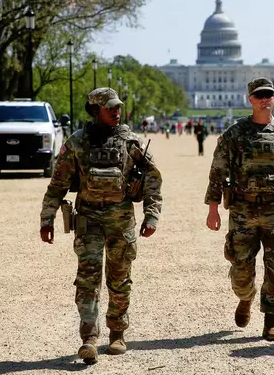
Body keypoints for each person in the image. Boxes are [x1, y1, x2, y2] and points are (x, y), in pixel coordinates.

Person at [39, 88, 163, 364]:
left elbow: (153, 179)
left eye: (118, 107)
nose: (116, 111)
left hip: (121, 221)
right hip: (89, 220)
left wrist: (152, 215)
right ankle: (89, 338)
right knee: (87, 281)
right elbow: (58, 184)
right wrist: (46, 219)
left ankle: (117, 333)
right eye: (110, 108)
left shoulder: (132, 142)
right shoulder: (77, 143)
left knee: (119, 280)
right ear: (95, 110)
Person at [205, 77, 274, 341]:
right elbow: (217, 173)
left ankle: (271, 319)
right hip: (243, 211)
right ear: (250, 99)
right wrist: (213, 209)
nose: (264, 99)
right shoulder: (235, 135)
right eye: (259, 95)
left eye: (268, 94)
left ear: (273, 98)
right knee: (241, 269)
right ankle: (246, 298)